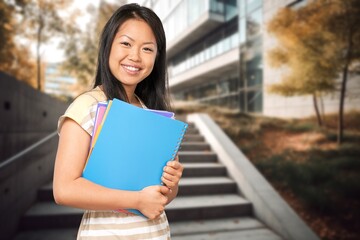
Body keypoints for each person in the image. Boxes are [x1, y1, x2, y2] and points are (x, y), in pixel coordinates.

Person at [53, 3, 183, 239]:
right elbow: (64, 189)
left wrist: (171, 183)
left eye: (147, 49)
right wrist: (136, 200)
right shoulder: (87, 106)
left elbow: (163, 197)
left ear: (157, 56)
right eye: (126, 43)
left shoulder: (154, 114)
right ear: (108, 45)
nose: (134, 56)